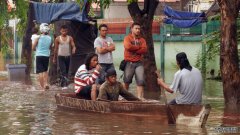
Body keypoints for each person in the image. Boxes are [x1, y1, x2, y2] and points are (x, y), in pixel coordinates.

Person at [123, 22, 147, 100]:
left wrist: (134, 49)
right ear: (132, 29)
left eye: (139, 29)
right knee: (127, 80)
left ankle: (140, 97)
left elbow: (144, 49)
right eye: (136, 28)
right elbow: (127, 46)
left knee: (141, 80)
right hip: (129, 62)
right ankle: (123, 96)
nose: (138, 30)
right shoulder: (127, 38)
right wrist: (138, 47)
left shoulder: (142, 39)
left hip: (139, 62)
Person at [53, 25, 76, 90]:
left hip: (68, 57)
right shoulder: (57, 38)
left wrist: (73, 49)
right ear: (60, 31)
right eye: (63, 31)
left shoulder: (70, 38)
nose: (64, 32)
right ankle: (64, 85)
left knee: (67, 71)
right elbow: (55, 49)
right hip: (60, 57)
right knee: (63, 71)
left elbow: (73, 45)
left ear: (67, 31)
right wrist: (54, 58)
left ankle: (62, 84)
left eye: (65, 31)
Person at [32, 23, 52, 90]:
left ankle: (42, 87)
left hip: (39, 56)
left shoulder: (38, 37)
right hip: (46, 56)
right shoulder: (50, 38)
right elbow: (50, 47)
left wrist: (36, 49)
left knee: (40, 72)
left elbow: (33, 47)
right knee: (45, 71)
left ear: (41, 30)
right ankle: (46, 83)